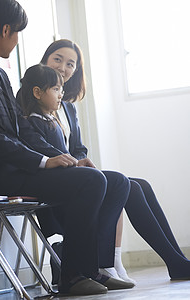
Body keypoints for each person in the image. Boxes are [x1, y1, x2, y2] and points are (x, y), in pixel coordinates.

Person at [0, 0, 133, 295]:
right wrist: (43, 162)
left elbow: (19, 132)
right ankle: (71, 275)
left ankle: (89, 268)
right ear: (6, 30)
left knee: (117, 181)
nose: (17, 39)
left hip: (19, 166)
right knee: (92, 181)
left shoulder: (0, 75)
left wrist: (58, 157)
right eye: (17, 32)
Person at [30, 38, 190, 282]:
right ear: (46, 59)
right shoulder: (33, 99)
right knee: (130, 187)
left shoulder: (68, 107)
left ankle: (177, 260)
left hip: (75, 172)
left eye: (70, 64)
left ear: (76, 71)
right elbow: (34, 144)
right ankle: (175, 263)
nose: (63, 67)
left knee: (141, 185)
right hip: (57, 179)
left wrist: (80, 159)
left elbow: (78, 147)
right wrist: (73, 162)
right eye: (58, 59)